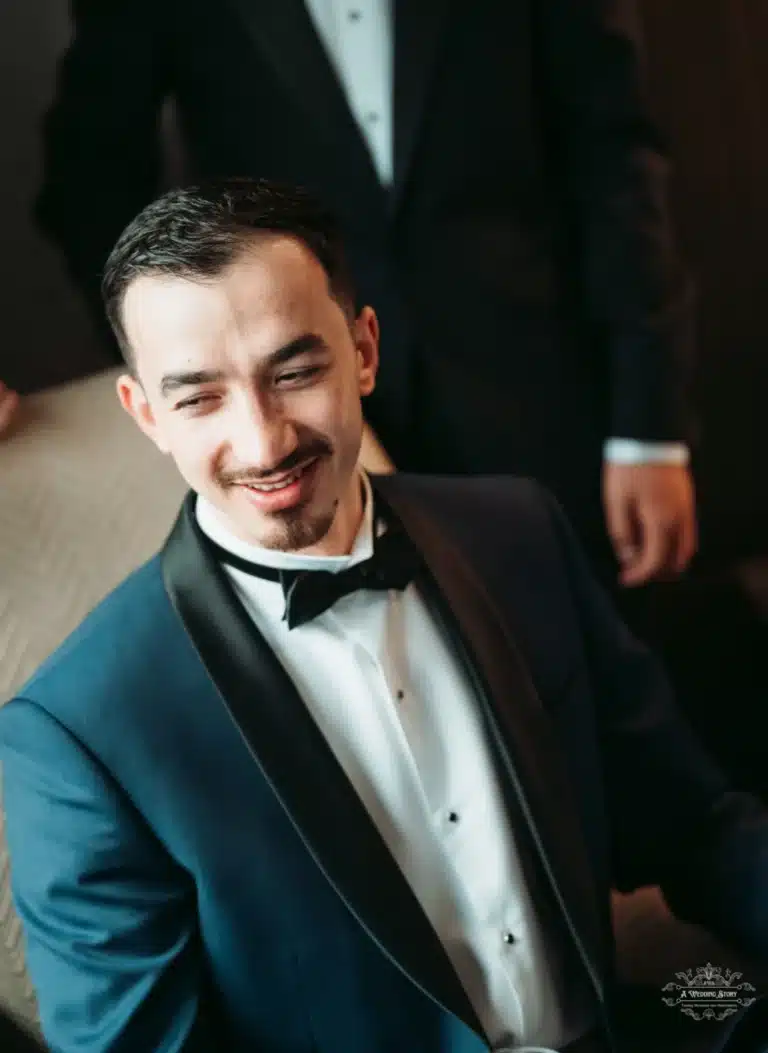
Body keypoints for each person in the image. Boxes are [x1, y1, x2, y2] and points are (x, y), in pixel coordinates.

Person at [2, 179, 767, 1053]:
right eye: (200, 397)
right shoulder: (76, 739)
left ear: (363, 350)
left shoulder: (518, 534)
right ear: (146, 415)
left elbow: (696, 825)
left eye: (295, 371)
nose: (264, 442)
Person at [36, 0, 696, 585]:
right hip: (302, 441)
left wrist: (648, 429)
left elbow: (616, 164)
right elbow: (88, 178)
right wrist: (182, 382)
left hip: (545, 404)